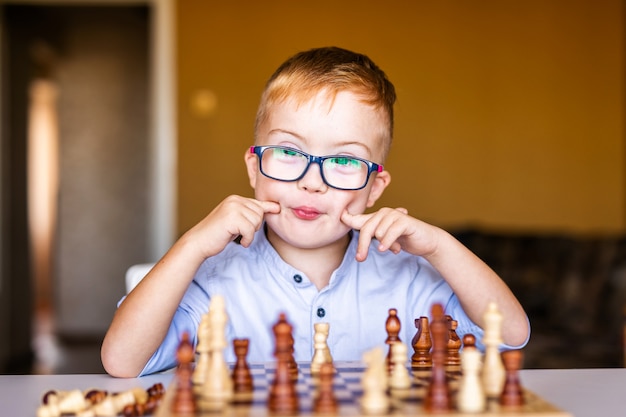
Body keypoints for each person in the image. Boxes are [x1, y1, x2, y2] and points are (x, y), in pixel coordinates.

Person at [101, 46, 530, 378]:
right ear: (254, 169)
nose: (313, 181)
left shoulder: (409, 277)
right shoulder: (214, 279)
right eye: (289, 151)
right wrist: (192, 246)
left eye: (344, 161)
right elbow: (122, 361)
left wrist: (440, 246)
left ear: (373, 189)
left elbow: (512, 335)